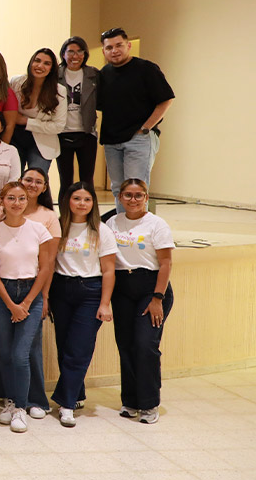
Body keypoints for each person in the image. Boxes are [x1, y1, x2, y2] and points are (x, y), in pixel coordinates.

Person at [0, 181, 56, 434]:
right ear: (2, 201)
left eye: (21, 198)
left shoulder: (38, 230)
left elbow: (45, 268)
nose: (17, 203)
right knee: (4, 353)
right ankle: (11, 400)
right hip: (3, 294)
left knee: (20, 354)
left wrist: (25, 303)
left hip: (30, 294)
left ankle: (20, 409)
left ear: (28, 201)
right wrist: (10, 305)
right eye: (11, 198)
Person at [50, 182, 117, 428]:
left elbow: (109, 270)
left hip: (90, 292)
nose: (82, 203)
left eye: (87, 199)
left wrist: (105, 303)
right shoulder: (58, 226)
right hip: (61, 289)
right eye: (77, 198)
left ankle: (66, 404)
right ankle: (76, 393)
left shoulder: (101, 230)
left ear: (93, 203)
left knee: (79, 348)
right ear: (67, 200)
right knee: (64, 346)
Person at [108, 179, 174, 424]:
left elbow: (166, 263)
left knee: (145, 345)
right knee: (126, 345)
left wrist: (158, 298)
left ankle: (149, 403)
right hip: (123, 289)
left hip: (151, 289)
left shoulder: (157, 224)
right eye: (128, 195)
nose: (133, 200)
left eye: (138, 195)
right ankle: (131, 401)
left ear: (146, 198)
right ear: (120, 197)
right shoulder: (112, 222)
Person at [98, 28, 176, 214]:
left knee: (135, 189)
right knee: (118, 189)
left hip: (139, 138)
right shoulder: (104, 73)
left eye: (119, 45)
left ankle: (139, 227)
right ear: (104, 51)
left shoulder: (146, 69)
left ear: (128, 45)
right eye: (109, 47)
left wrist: (146, 128)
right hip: (112, 141)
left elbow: (166, 99)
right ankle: (122, 226)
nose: (114, 51)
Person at [9, 48, 68, 173]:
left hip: (43, 143)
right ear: (31, 62)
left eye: (47, 63)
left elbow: (58, 126)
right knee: (13, 178)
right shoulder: (16, 82)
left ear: (52, 68)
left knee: (36, 179)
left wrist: (25, 121)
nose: (40, 66)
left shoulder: (59, 91)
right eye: (37, 61)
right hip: (15, 138)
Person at [56, 36, 101, 194]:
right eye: (70, 52)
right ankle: (65, 210)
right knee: (65, 180)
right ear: (63, 54)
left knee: (87, 180)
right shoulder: (55, 74)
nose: (75, 56)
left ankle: (89, 210)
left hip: (87, 134)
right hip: (62, 134)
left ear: (85, 54)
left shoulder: (93, 74)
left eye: (79, 52)